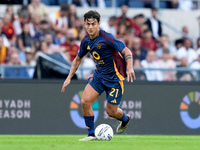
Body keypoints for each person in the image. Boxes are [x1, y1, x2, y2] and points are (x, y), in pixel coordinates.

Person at [61, 10, 136, 141]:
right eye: (88, 24)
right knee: (85, 101)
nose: (90, 27)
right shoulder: (85, 41)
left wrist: (130, 67)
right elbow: (78, 59)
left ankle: (126, 119)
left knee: (111, 112)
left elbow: (126, 50)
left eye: (93, 24)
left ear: (98, 24)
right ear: (84, 24)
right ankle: (91, 134)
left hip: (115, 79)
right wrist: (69, 77)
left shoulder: (107, 38)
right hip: (99, 76)